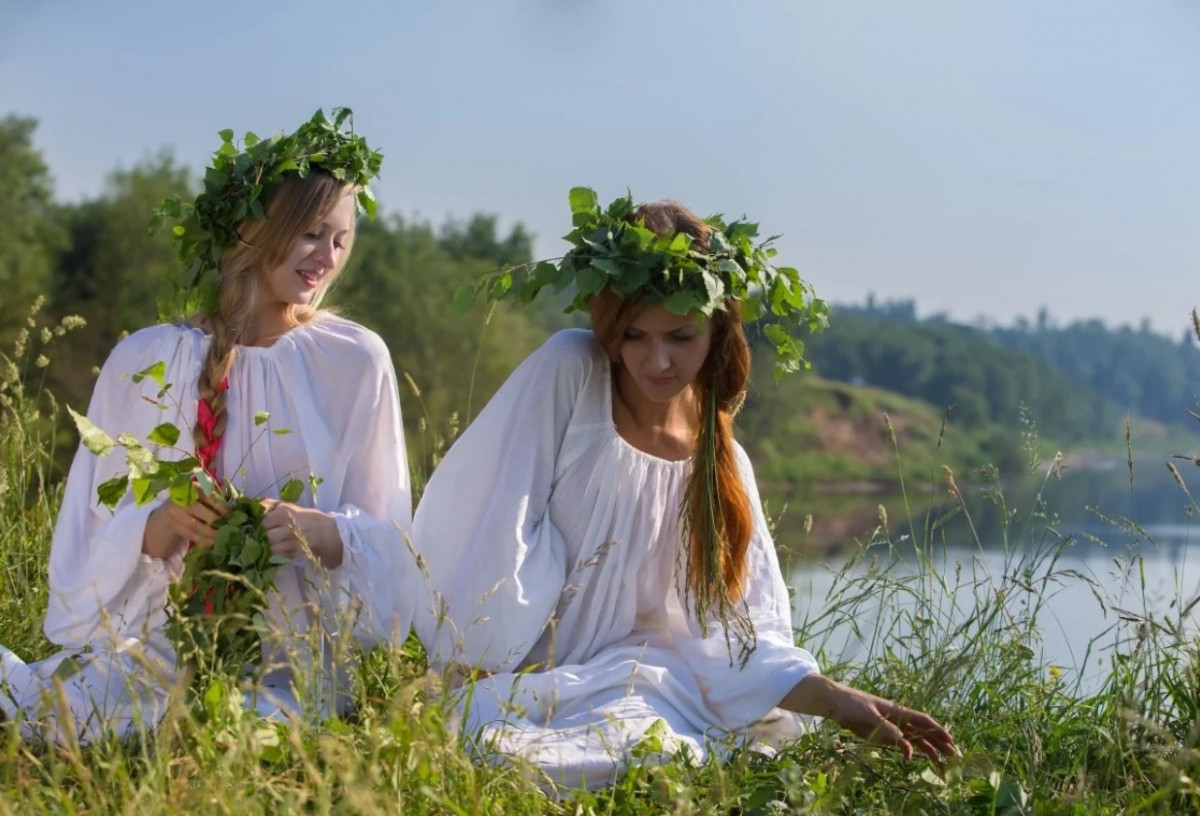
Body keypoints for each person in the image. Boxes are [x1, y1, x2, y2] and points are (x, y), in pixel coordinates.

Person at [412, 190, 955, 791]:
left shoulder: (720, 459)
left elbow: (737, 630)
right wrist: (471, 670)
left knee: (651, 752)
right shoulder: (572, 371)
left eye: (681, 336)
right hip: (531, 671)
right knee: (496, 744)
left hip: (649, 682)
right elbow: (497, 521)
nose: (657, 360)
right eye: (635, 335)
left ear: (717, 331)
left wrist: (833, 696)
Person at [0, 109, 413, 744]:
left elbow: (394, 545)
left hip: (294, 664)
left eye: (341, 239)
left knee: (234, 726)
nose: (326, 258)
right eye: (309, 233)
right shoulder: (147, 360)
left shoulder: (354, 361)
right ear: (250, 230)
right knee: (74, 712)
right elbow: (86, 544)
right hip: (160, 649)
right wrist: (160, 526)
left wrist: (319, 533)